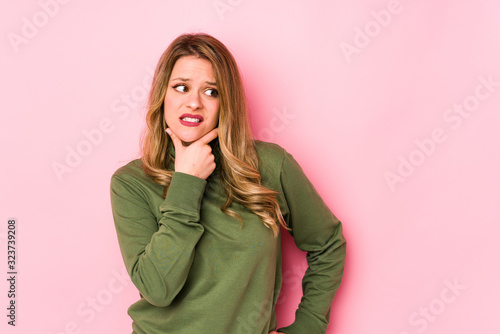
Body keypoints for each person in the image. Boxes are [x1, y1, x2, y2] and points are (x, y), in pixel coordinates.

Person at [110, 33, 346, 334]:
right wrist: (186, 183)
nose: (193, 102)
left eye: (211, 92)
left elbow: (328, 244)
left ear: (226, 102)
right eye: (181, 88)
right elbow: (158, 289)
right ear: (163, 96)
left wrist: (308, 326)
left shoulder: (270, 166)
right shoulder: (131, 183)